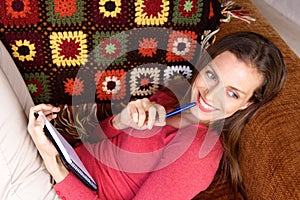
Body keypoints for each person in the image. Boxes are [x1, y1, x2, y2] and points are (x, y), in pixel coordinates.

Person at [0, 31, 286, 200]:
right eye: (212, 75)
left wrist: (53, 163)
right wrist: (120, 121)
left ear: (247, 104)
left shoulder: (198, 155)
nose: (211, 94)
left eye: (233, 93)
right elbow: (99, 147)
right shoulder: (172, 98)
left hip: (53, 189)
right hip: (62, 163)